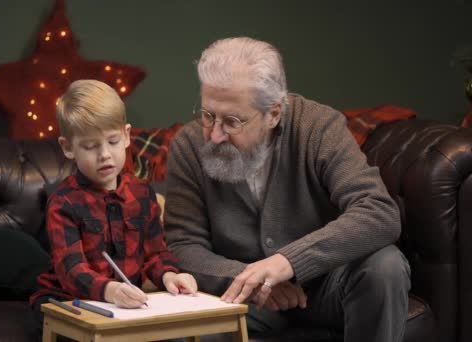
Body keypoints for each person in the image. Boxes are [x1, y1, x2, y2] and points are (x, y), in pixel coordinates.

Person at [164, 37, 410, 342]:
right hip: (244, 301)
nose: (214, 135)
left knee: (385, 265)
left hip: (325, 289)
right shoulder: (188, 146)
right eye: (208, 115)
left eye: (232, 121)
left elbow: (378, 212)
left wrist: (288, 262)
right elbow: (183, 246)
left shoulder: (318, 128)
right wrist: (253, 281)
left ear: (274, 113)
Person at [30, 80, 198, 335]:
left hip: (122, 304)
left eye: (112, 141)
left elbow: (155, 254)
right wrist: (109, 290)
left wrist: (169, 276)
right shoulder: (64, 202)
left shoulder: (141, 193)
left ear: (127, 135)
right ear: (68, 148)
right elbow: (71, 270)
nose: (105, 154)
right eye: (90, 146)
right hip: (68, 299)